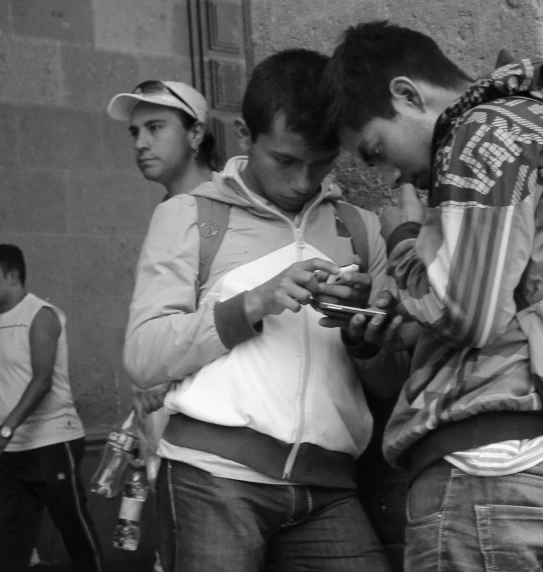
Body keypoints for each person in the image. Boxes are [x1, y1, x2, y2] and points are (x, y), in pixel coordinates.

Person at [322, 21, 543, 572]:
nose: (388, 175)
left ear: (407, 94)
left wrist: (402, 239)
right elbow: (510, 300)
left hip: (489, 473)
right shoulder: (539, 128)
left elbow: (467, 314)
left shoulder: (481, 136)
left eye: (376, 150)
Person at [123, 49, 397, 572]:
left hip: (328, 490)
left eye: (322, 161)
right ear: (245, 137)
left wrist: (363, 333)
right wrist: (252, 303)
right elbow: (143, 355)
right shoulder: (190, 216)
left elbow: (387, 384)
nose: (303, 180)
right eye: (286, 160)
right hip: (213, 479)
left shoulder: (362, 229)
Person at [108, 80, 220, 572]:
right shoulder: (170, 211)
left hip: (219, 439)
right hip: (169, 429)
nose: (140, 143)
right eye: (135, 131)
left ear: (196, 134)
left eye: (155, 127)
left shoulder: (229, 206)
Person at [0, 244, 104, 572]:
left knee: (73, 526)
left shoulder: (40, 315)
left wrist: (6, 428)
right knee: (11, 538)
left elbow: (42, 380)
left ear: (11, 275)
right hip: (11, 450)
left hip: (52, 442)